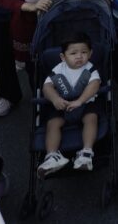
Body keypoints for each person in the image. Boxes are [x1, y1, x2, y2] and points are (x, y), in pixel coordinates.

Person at [36, 32, 101, 177]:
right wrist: (55, 99)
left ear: (90, 54)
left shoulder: (90, 69)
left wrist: (80, 101)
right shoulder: (59, 69)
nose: (79, 56)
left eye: (84, 52)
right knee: (53, 123)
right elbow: (47, 87)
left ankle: (86, 152)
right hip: (62, 104)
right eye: (73, 53)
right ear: (63, 57)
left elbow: (95, 84)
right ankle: (52, 156)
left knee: (91, 118)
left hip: (84, 103)